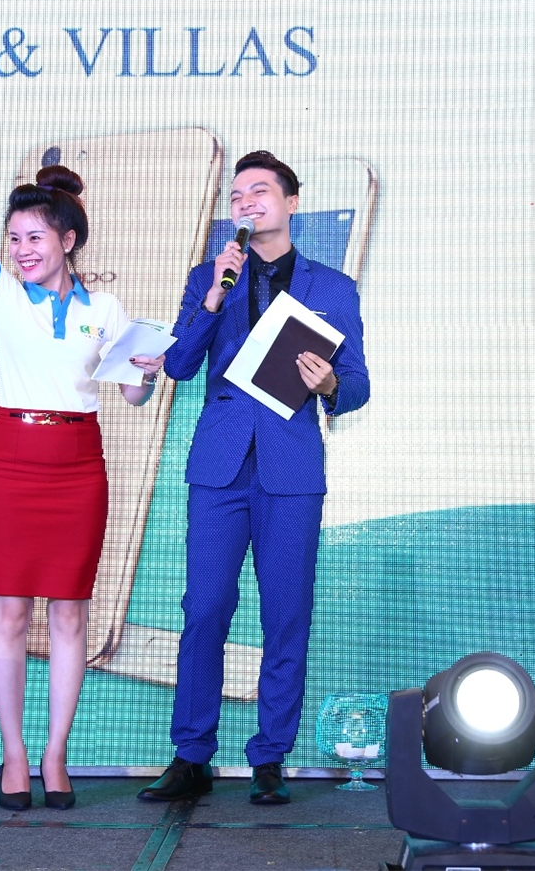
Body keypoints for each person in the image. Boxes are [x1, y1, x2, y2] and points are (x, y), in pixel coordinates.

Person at [0, 89, 164, 812]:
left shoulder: (104, 310)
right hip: (12, 463)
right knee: (7, 615)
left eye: (35, 237)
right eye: (15, 238)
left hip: (79, 468)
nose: (22, 250)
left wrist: (147, 375)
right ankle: (15, 753)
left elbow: (131, 396)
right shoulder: (0, 292)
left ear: (68, 240)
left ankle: (57, 753)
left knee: (69, 616)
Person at [138, 151, 370, 805]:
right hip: (220, 466)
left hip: (290, 468)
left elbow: (357, 385)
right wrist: (214, 296)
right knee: (205, 608)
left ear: (291, 203)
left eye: (260, 191)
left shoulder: (333, 288)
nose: (246, 202)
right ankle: (192, 754)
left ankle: (271, 756)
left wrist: (330, 384)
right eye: (237, 195)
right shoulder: (209, 276)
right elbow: (179, 364)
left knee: (286, 614)